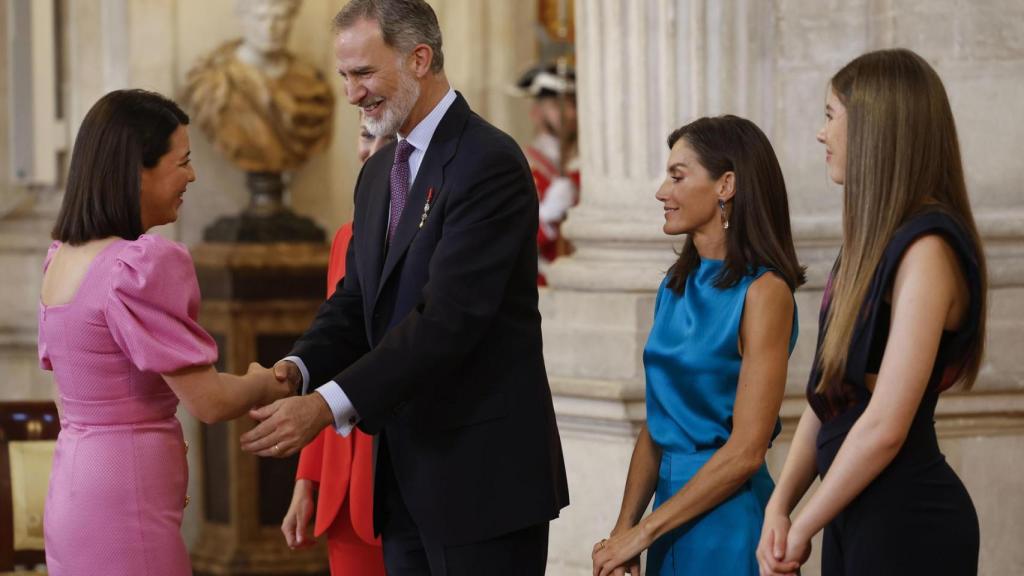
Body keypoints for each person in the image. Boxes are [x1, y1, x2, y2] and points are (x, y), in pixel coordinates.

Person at [239, 1, 569, 575]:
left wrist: (324, 406)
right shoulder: (377, 171)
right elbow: (354, 301)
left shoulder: (488, 161)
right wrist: (294, 369)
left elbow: (446, 321)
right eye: (344, 75)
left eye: (363, 73)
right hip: (400, 484)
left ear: (420, 59)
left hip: (482, 485)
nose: (351, 94)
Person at [38, 89, 290, 576]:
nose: (192, 176)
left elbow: (64, 401)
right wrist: (267, 380)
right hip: (124, 500)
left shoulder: (61, 258)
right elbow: (210, 402)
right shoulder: (136, 265)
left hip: (74, 489)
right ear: (138, 171)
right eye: (184, 162)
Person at [756, 48, 985, 576]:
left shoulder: (928, 247)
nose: (821, 133)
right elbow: (831, 393)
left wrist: (804, 523)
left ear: (876, 129)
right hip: (855, 516)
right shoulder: (872, 242)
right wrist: (781, 505)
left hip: (909, 525)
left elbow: (884, 425)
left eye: (831, 115)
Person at [591, 115, 805, 576]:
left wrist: (643, 531)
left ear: (726, 184)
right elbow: (657, 425)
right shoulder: (674, 284)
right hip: (668, 520)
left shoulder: (766, 293)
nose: (661, 192)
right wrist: (623, 533)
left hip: (729, 523)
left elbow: (747, 452)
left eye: (677, 175)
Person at [280, 120, 394, 576]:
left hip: (397, 473)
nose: (373, 151)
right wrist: (308, 477)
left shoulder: (434, 234)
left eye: (388, 140)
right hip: (341, 480)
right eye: (366, 136)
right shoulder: (347, 238)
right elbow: (331, 359)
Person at [183, 0, 334, 173]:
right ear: (243, 18)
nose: (270, 28)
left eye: (279, 18)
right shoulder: (213, 82)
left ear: (292, 18)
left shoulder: (313, 84)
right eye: (260, 17)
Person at [515, 63, 580, 284]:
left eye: (574, 104)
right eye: (557, 105)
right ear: (536, 112)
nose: (570, 113)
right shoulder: (520, 163)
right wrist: (546, 216)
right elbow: (508, 240)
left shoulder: (582, 166)